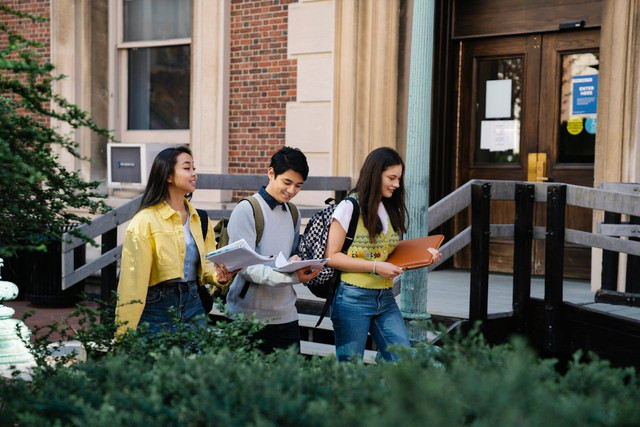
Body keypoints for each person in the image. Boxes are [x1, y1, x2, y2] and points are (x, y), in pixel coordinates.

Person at [325, 147, 442, 362]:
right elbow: (331, 256)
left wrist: (424, 254)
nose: (397, 185)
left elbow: (389, 251)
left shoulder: (388, 207)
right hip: (352, 298)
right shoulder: (349, 207)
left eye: (399, 178)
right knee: (350, 371)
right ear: (374, 173)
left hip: (385, 298)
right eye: (392, 178)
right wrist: (376, 267)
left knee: (402, 364)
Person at [115, 146, 232, 338]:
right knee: (158, 367)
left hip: (193, 303)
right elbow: (132, 284)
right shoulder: (145, 221)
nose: (194, 174)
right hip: (156, 307)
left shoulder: (199, 218)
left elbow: (208, 264)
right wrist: (123, 335)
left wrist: (219, 277)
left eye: (194, 168)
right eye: (187, 168)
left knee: (194, 366)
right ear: (168, 176)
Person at [225, 147, 321, 353]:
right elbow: (243, 267)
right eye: (287, 182)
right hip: (247, 316)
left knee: (288, 383)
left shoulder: (293, 212)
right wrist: (291, 277)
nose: (292, 191)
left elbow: (289, 255)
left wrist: (299, 261)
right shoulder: (247, 209)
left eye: (298, 185)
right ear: (271, 173)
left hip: (286, 315)